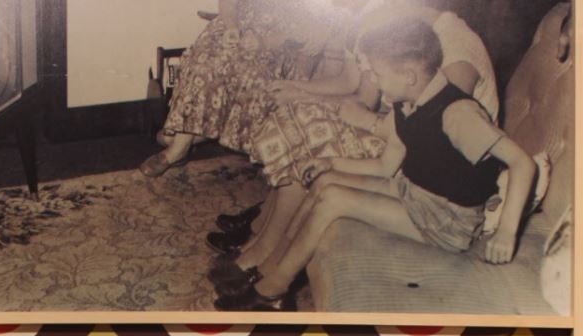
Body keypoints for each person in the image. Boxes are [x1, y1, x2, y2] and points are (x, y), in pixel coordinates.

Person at [213, 16, 535, 311]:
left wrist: (506, 233)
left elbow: (522, 163)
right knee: (326, 184)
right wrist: (328, 162)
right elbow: (385, 165)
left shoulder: (457, 114)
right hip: (414, 191)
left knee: (334, 200)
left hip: (446, 221)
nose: (376, 84)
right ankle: (269, 266)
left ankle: (273, 288)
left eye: (378, 75)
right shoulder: (406, 104)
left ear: (408, 75)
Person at [140, 0, 348, 176]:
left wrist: (264, 42)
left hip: (278, 43)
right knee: (204, 64)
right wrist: (232, 27)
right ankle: (185, 141)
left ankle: (180, 145)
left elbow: (310, 29)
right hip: (238, 27)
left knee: (249, 75)